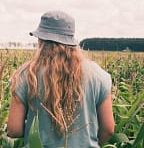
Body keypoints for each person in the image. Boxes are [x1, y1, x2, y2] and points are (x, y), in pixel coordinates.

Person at [7, 11, 114, 147]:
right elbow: (109, 129)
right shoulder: (99, 75)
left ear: (41, 40)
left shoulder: (25, 74)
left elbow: (14, 130)